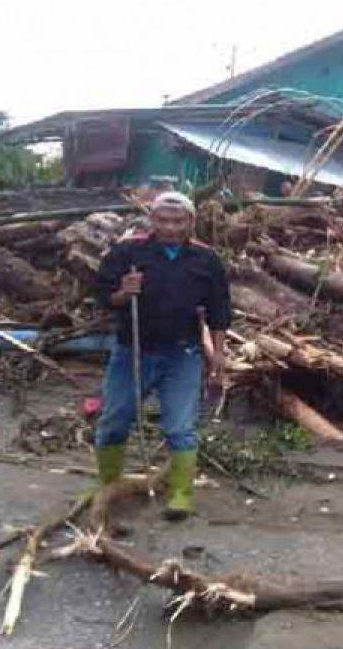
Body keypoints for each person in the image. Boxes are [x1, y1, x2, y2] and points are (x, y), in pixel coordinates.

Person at [92, 191, 230, 520]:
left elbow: (219, 311)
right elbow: (102, 296)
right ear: (151, 219)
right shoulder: (129, 252)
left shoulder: (206, 260)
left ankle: (181, 493)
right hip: (133, 351)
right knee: (114, 422)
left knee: (180, 427)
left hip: (182, 354)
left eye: (178, 221)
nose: (170, 227)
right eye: (163, 220)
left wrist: (219, 356)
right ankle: (109, 485)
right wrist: (124, 293)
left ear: (191, 222)